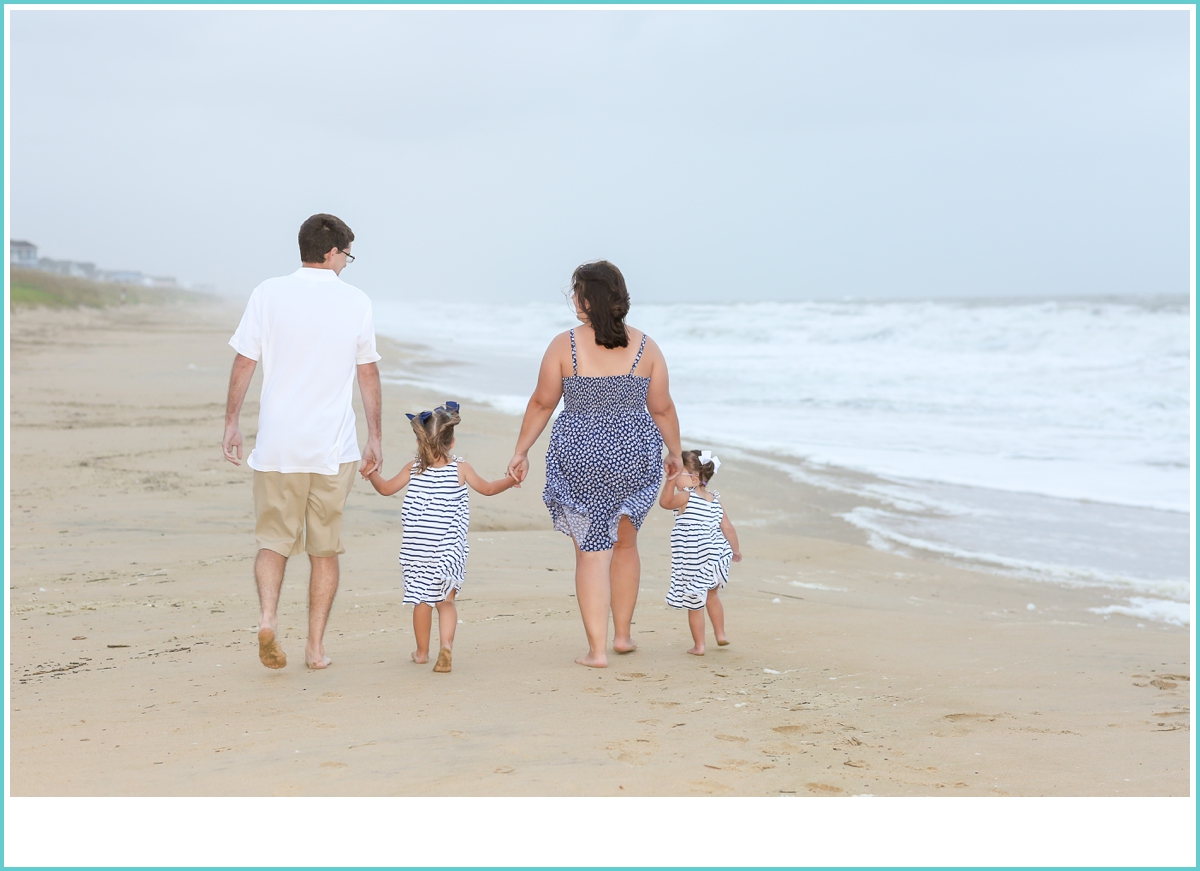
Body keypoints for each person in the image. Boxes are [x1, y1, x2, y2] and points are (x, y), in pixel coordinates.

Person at [222, 213, 382, 671]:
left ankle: (268, 618)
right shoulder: (355, 301)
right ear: (331, 252)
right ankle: (315, 649)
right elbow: (366, 372)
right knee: (324, 549)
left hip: (277, 444)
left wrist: (232, 422)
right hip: (333, 448)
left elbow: (244, 361)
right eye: (347, 255)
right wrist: (375, 436)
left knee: (273, 541)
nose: (348, 264)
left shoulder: (267, 293)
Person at [507, 260, 683, 668]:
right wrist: (674, 452)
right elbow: (662, 407)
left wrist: (521, 451)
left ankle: (597, 651)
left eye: (576, 292)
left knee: (591, 552)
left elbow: (542, 402)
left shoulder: (565, 345)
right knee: (625, 544)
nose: (572, 299)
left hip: (581, 453)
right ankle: (622, 636)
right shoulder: (646, 346)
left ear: (588, 300)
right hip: (632, 453)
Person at [364, 401, 516, 673]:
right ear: (452, 442)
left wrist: (372, 473)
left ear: (420, 441)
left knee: (422, 601)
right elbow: (489, 489)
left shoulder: (413, 468)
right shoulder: (461, 468)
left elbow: (386, 489)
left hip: (417, 552)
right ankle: (445, 647)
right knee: (446, 602)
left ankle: (421, 653)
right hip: (449, 550)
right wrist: (511, 479)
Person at [660, 450, 741, 655]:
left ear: (694, 478)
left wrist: (669, 482)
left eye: (678, 473)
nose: (674, 476)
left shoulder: (685, 497)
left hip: (694, 558)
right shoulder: (714, 500)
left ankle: (699, 646)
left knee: (695, 602)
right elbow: (728, 527)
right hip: (715, 554)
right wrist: (735, 550)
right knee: (712, 595)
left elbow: (665, 503)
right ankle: (721, 635)